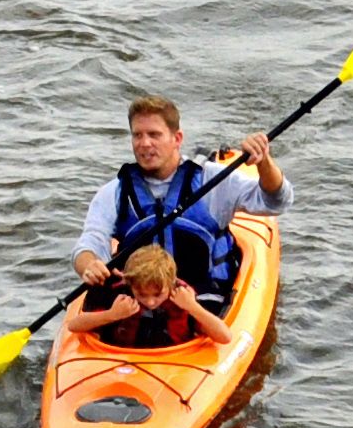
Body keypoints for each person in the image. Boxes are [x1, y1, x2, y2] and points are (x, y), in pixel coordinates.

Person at [73, 93, 283, 306]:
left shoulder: (212, 180)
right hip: (140, 297)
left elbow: (275, 201)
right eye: (138, 135)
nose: (145, 143)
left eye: (154, 134)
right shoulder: (116, 192)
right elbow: (90, 242)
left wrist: (263, 162)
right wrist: (90, 265)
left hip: (202, 298)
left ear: (177, 139)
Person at [63, 245, 231, 355]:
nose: (150, 302)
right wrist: (111, 315)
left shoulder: (182, 297)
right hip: (122, 359)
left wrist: (193, 307)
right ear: (130, 285)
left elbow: (225, 337)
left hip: (174, 360)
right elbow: (74, 325)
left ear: (170, 284)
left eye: (158, 295)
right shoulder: (118, 295)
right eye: (142, 294)